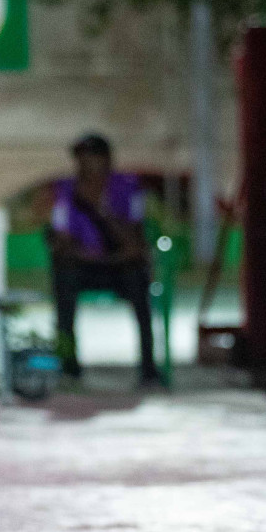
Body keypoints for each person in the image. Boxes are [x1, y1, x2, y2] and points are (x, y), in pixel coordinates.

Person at [46, 132, 162, 387]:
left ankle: (149, 368)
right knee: (64, 280)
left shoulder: (128, 187)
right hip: (83, 264)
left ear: (107, 160)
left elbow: (135, 242)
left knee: (138, 282)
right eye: (83, 159)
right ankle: (68, 365)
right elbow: (60, 238)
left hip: (121, 265)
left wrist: (101, 210)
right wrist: (78, 252)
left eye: (94, 159)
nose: (88, 166)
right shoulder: (66, 191)